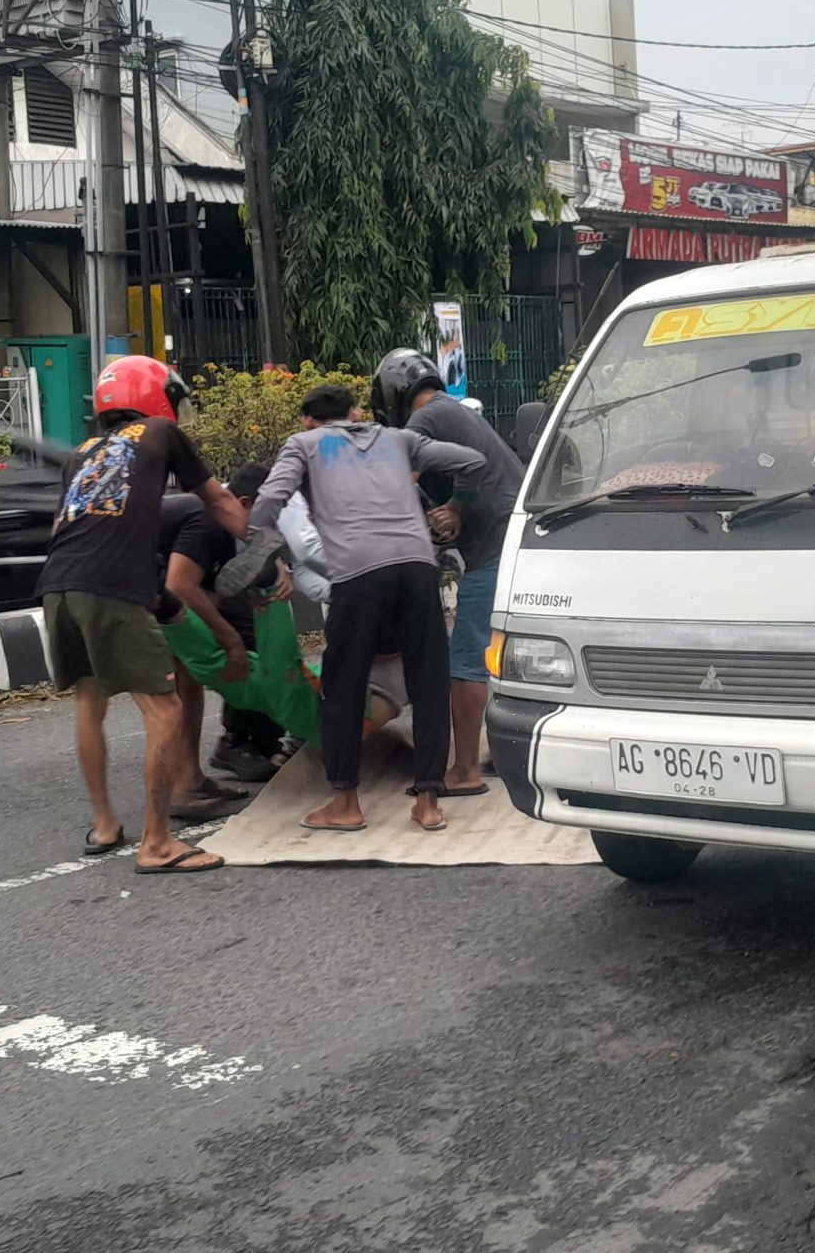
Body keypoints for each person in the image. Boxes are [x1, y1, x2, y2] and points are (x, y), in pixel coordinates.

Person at [246, 383, 486, 834]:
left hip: (357, 572)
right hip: (417, 565)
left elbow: (270, 499)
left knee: (342, 684)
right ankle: (429, 802)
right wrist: (459, 506)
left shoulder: (304, 444)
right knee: (430, 679)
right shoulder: (397, 438)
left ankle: (345, 803)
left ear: (307, 420)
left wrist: (258, 555)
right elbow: (473, 461)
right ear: (355, 413)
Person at [37, 355, 245, 873]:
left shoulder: (79, 452)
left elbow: (65, 527)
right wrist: (263, 548)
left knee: (90, 701)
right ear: (156, 396)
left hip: (59, 586)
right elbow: (218, 502)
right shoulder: (160, 433)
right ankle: (157, 844)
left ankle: (106, 824)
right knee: (166, 710)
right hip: (111, 587)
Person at [374, 348, 526, 798]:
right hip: (513, 539)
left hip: (495, 546)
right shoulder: (450, 410)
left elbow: (398, 482)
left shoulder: (424, 421)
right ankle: (503, 752)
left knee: (466, 662)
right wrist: (452, 512)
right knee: (503, 657)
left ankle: (463, 771)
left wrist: (457, 508)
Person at [157, 466, 318, 785]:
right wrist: (229, 640)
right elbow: (180, 586)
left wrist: (275, 567)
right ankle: (231, 747)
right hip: (143, 586)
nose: (272, 523)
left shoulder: (232, 519)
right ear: (243, 504)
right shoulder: (205, 520)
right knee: (236, 649)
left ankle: (198, 773)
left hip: (175, 583)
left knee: (259, 633)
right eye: (268, 513)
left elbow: (235, 567)